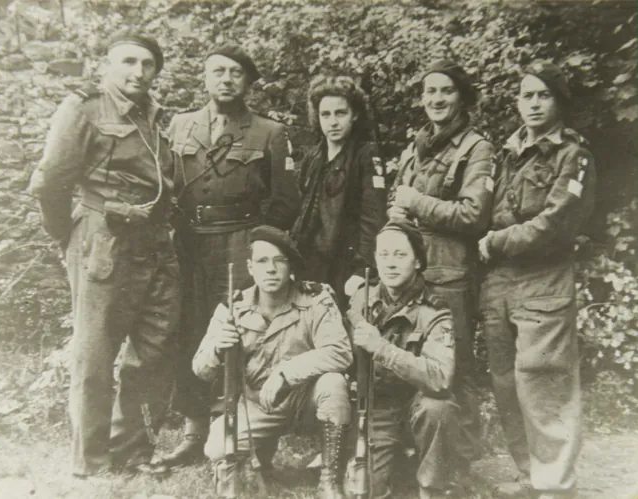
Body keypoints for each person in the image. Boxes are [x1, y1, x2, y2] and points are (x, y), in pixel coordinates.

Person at [28, 32, 185, 477]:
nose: (138, 72)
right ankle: (92, 459)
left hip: (154, 244)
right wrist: (69, 237)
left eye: (148, 64)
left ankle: (131, 448)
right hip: (104, 241)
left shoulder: (153, 113)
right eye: (128, 62)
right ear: (107, 65)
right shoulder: (82, 109)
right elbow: (50, 182)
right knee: (96, 355)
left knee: (153, 351)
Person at [163, 43, 301, 465]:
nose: (226, 79)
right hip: (190, 243)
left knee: (246, 331)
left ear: (248, 82)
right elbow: (167, 186)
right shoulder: (181, 126)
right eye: (217, 71)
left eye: (236, 73)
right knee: (190, 329)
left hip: (241, 242)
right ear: (204, 78)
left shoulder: (269, 132)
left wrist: (258, 248)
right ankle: (193, 428)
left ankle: (246, 428)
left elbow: (284, 202)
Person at [477, 62, 595, 499]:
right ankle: (529, 474)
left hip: (544, 278)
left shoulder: (574, 155)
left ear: (559, 102)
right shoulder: (508, 153)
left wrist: (497, 241)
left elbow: (557, 222)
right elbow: (484, 209)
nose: (533, 103)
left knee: (544, 381)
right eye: (527, 95)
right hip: (500, 283)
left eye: (542, 95)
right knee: (506, 382)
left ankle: (556, 485)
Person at [193, 225, 353, 499]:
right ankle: (259, 455)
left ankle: (330, 476)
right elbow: (200, 369)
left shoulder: (316, 299)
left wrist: (286, 373)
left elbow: (340, 351)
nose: (271, 269)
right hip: (257, 403)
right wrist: (218, 348)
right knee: (217, 448)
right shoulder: (233, 306)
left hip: (305, 399)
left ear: (290, 266)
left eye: (279, 260)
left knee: (334, 384)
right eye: (262, 261)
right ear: (250, 267)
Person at [388, 59, 496, 463]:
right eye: (430, 91)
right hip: (411, 273)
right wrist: (397, 217)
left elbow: (473, 215)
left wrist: (415, 202)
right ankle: (413, 453)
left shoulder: (476, 147)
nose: (436, 99)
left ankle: (462, 462)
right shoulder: (413, 149)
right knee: (410, 359)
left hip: (450, 273)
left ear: (462, 97)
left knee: (456, 368)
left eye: (446, 91)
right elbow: (397, 208)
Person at [347, 220, 460, 499]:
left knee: (439, 406)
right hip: (377, 410)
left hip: (415, 406)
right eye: (383, 255)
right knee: (366, 490)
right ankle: (395, 460)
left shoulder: (435, 311)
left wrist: (382, 348)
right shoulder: (362, 299)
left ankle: (432, 487)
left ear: (418, 262)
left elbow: (439, 377)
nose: (391, 264)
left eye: (400, 255)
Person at [291, 75, 386, 308]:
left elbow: (373, 217)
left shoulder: (366, 154)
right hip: (311, 263)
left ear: (354, 115)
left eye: (340, 113)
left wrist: (362, 270)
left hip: (346, 266)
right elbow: (301, 213)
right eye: (326, 114)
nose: (333, 122)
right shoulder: (313, 157)